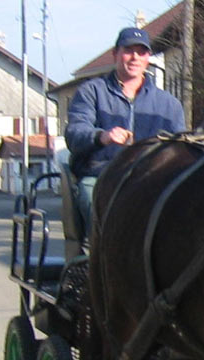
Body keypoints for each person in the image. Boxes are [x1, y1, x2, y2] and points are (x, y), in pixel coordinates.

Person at [64, 26, 186, 255]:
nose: (135, 58)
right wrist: (102, 136)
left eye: (141, 52)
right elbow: (74, 133)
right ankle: (102, 262)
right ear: (116, 54)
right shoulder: (91, 92)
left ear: (148, 58)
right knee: (93, 199)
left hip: (150, 182)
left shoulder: (168, 105)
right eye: (129, 51)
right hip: (100, 177)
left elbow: (180, 151)